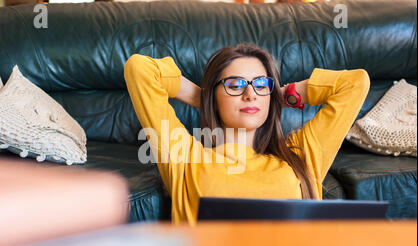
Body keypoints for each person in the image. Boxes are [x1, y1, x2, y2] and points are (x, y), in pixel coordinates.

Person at [124, 43, 370, 225]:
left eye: (261, 84)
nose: (251, 94)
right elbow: (140, 69)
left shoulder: (300, 154)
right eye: (235, 84)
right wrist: (205, 98)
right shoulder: (184, 157)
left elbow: (355, 83)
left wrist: (282, 96)